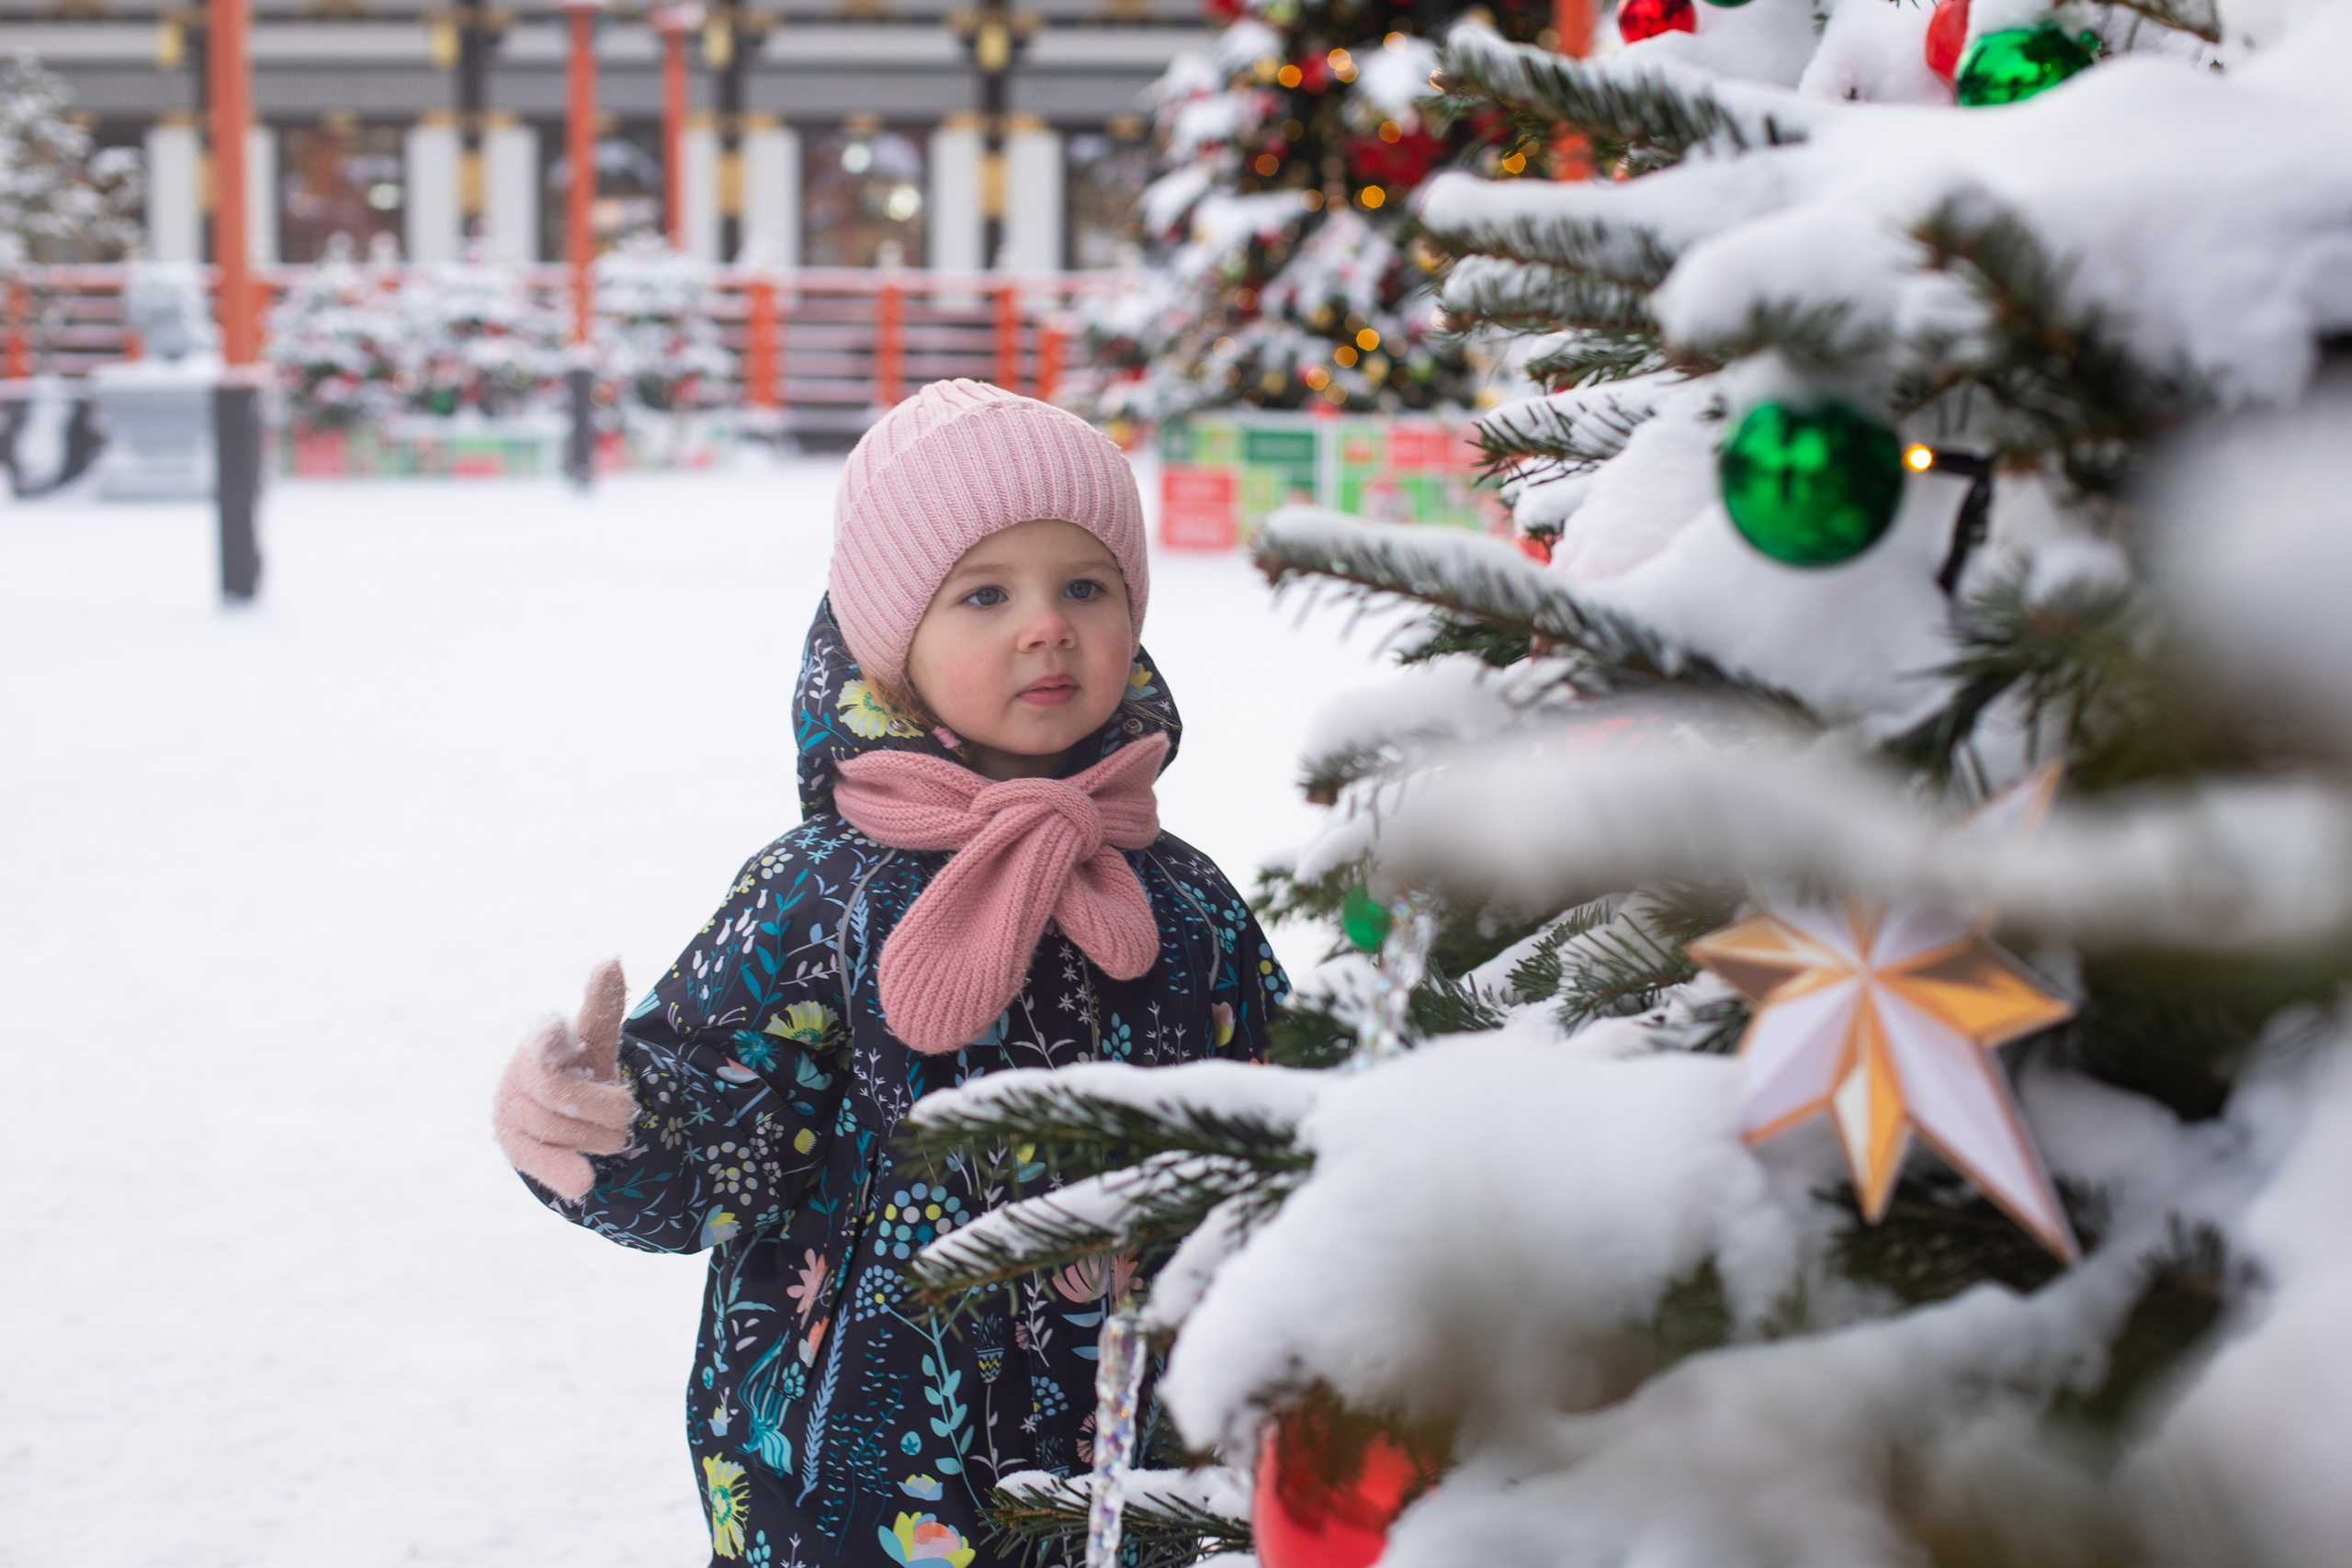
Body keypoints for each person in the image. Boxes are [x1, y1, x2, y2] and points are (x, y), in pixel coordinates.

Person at [491, 380, 1288, 1565]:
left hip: (1137, 1459)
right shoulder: (818, 893)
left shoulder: (1184, 893)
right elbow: (729, 1135)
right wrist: (617, 1125)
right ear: (892, 649)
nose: (1046, 626)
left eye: (1086, 586)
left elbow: (1275, 1113)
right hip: (859, 1472)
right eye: (985, 593)